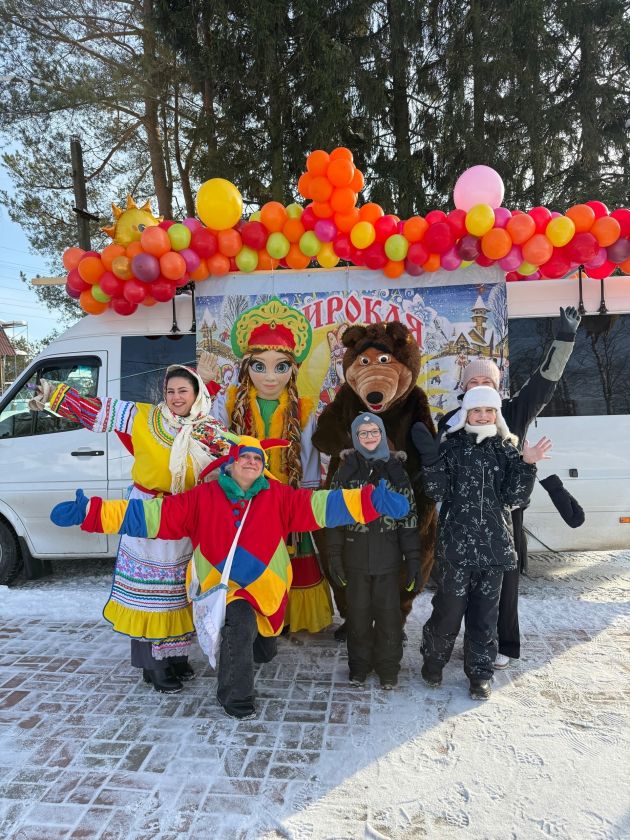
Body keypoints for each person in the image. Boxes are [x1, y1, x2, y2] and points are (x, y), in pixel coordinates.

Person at [50, 435, 411, 719]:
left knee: (262, 647)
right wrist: (92, 512)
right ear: (231, 463)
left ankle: (258, 646)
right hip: (222, 588)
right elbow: (151, 515)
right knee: (238, 625)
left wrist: (370, 502)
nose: (251, 462)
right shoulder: (201, 498)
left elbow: (322, 505)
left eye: (258, 459)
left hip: (267, 587)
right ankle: (235, 698)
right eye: (245, 457)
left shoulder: (279, 497)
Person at [31, 366, 233, 694]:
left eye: (183, 391)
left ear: (197, 393)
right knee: (149, 594)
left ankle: (175, 656)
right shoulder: (143, 416)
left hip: (185, 516)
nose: (176, 397)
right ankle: (152, 665)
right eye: (170, 391)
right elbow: (96, 411)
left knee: (180, 590)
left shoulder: (209, 430)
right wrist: (54, 395)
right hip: (146, 513)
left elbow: (238, 459)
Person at [436, 305, 581, 668]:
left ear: (497, 387)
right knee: (459, 588)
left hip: (504, 514)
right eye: (473, 382)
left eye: (487, 382)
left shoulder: (514, 412)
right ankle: (464, 644)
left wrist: (564, 337)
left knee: (504, 585)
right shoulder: (449, 421)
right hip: (461, 517)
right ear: (463, 387)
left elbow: (545, 379)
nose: (480, 388)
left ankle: (504, 645)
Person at [413, 387, 550, 699]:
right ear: (467, 413)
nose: (483, 415)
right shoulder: (451, 448)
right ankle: (433, 661)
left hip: (494, 550)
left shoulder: (507, 450)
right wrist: (431, 462)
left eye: (489, 410)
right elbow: (436, 492)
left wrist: (527, 464)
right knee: (448, 612)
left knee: (485, 617)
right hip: (456, 549)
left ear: (497, 415)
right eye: (477, 410)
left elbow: (515, 497)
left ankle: (480, 674)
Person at [214, 297, 332, 635]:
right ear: (246, 367)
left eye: (280, 367)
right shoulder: (229, 401)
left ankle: (289, 615)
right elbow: (213, 444)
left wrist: (305, 498)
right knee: (247, 556)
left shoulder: (304, 408)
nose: (269, 377)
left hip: (285, 498)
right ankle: (247, 616)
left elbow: (309, 455)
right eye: (259, 366)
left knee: (288, 555)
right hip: (243, 498)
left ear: (293, 369)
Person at [326, 412, 422, 689]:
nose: (369, 437)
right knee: (358, 617)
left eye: (374, 432)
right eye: (363, 433)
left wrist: (413, 559)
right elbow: (333, 517)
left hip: (388, 560)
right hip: (355, 558)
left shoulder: (396, 470)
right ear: (356, 438)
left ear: (382, 435)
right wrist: (333, 555)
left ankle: (388, 668)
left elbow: (409, 519)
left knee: (389, 618)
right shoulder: (345, 471)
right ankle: (359, 666)